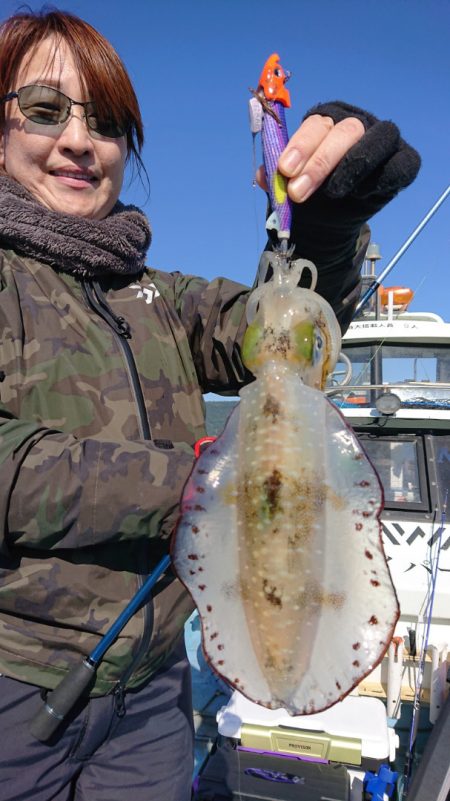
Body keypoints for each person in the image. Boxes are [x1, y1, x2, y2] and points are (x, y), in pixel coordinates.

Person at [0, 8, 420, 801]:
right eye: (45, 110)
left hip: (153, 693)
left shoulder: (159, 296)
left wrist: (324, 232)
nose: (80, 143)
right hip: (14, 682)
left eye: (109, 120)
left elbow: (278, 337)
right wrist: (197, 485)